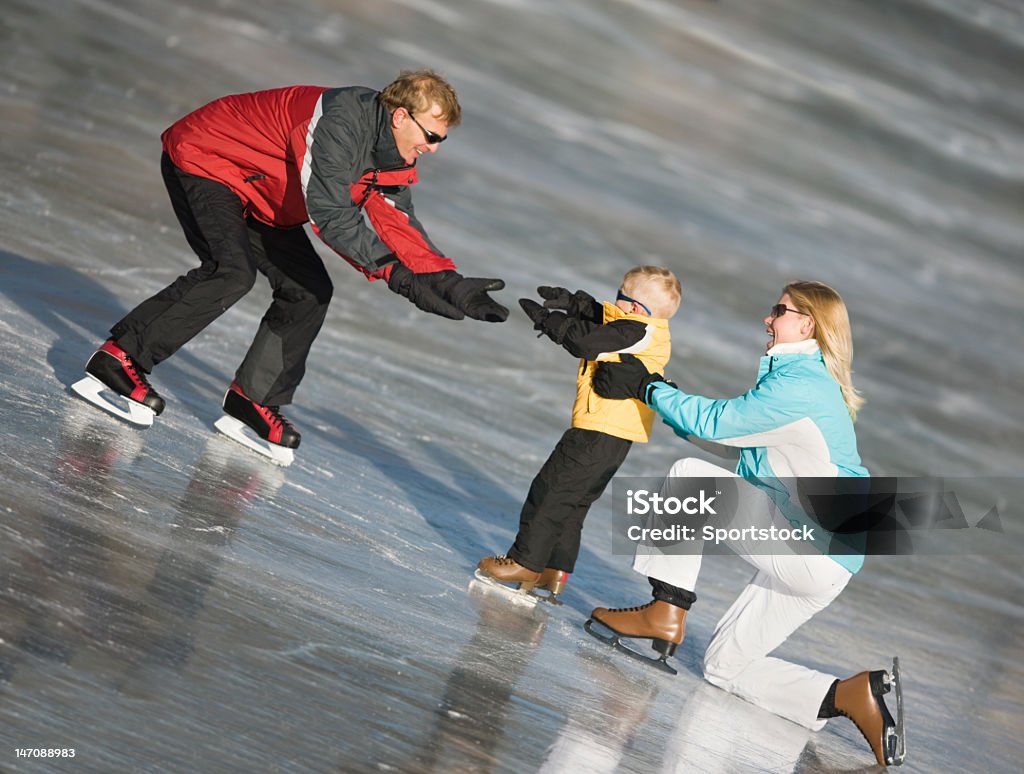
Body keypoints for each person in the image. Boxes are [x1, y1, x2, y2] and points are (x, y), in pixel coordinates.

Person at [75, 69, 508, 453]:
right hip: (210, 162)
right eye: (432, 137)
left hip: (266, 196)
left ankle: (253, 399)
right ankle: (119, 357)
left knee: (309, 291)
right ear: (400, 116)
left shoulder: (391, 155)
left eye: (442, 140)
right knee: (231, 272)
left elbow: (398, 221)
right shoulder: (339, 121)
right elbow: (331, 214)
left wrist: (446, 280)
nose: (434, 148)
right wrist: (397, 276)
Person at [587, 280, 905, 767]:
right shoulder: (805, 383)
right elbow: (737, 447)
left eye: (779, 310)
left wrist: (647, 387)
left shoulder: (800, 387)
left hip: (813, 550)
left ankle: (664, 609)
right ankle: (847, 695)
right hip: (825, 561)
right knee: (723, 668)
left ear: (807, 325)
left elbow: (715, 424)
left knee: (689, 480)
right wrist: (659, 393)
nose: (768, 318)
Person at [476, 266, 682, 602]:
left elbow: (586, 342)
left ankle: (524, 562)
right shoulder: (646, 328)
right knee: (571, 505)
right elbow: (607, 320)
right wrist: (575, 304)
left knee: (550, 492)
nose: (614, 300)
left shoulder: (634, 331)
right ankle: (554, 570)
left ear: (634, 307)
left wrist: (550, 321)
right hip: (615, 435)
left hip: (597, 431)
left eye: (620, 295)